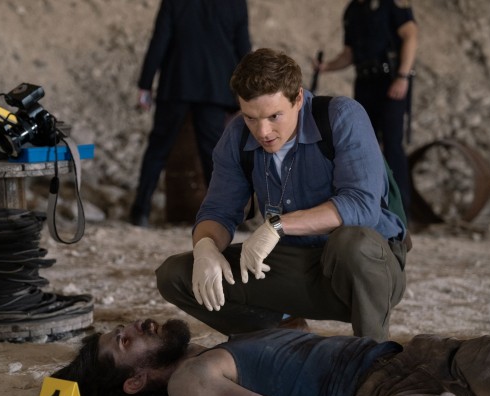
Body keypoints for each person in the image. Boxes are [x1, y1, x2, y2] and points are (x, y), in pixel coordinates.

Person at [155, 48, 408, 342]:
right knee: (175, 275)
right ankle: (283, 337)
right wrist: (206, 247)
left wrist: (277, 225)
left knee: (351, 242)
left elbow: (362, 206)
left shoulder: (341, 116)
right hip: (296, 265)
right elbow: (218, 211)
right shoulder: (236, 136)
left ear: (298, 99)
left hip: (366, 270)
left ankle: (372, 355)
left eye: (274, 116)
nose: (263, 131)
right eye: (251, 117)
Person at [52, 317, 490, 396]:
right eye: (125, 341)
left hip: (428, 357)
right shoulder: (190, 381)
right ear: (135, 381)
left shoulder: (222, 347)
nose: (137, 325)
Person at [130, 0, 252, 227]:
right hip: (215, 89)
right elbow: (243, 48)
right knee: (214, 155)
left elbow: (159, 41)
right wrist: (247, 93)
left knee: (158, 149)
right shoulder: (235, 3)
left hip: (176, 84)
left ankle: (140, 211)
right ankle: (227, 215)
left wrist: (145, 84)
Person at [317, 0, 418, 215]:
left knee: (392, 143)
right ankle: (370, 204)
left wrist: (403, 76)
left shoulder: (391, 3)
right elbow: (349, 54)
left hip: (390, 80)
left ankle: (401, 211)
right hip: (364, 82)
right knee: (364, 143)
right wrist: (326, 67)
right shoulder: (352, 10)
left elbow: (411, 35)